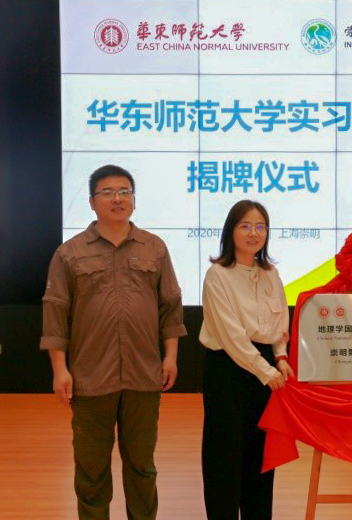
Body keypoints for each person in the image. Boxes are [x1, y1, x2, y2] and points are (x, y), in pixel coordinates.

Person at [40, 164, 187, 520]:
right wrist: (60, 370)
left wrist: (170, 356)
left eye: (124, 192)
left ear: (133, 200)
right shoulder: (69, 253)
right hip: (90, 378)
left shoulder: (154, 248)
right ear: (92, 202)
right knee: (91, 471)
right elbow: (55, 312)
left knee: (142, 467)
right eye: (107, 192)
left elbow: (170, 306)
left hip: (143, 375)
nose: (117, 199)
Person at [199, 199, 294, 520]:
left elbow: (279, 321)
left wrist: (280, 357)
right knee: (224, 456)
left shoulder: (270, 273)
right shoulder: (217, 275)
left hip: (266, 369)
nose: (254, 233)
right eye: (245, 226)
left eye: (260, 227)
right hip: (228, 369)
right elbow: (231, 336)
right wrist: (266, 370)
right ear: (231, 231)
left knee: (260, 455)